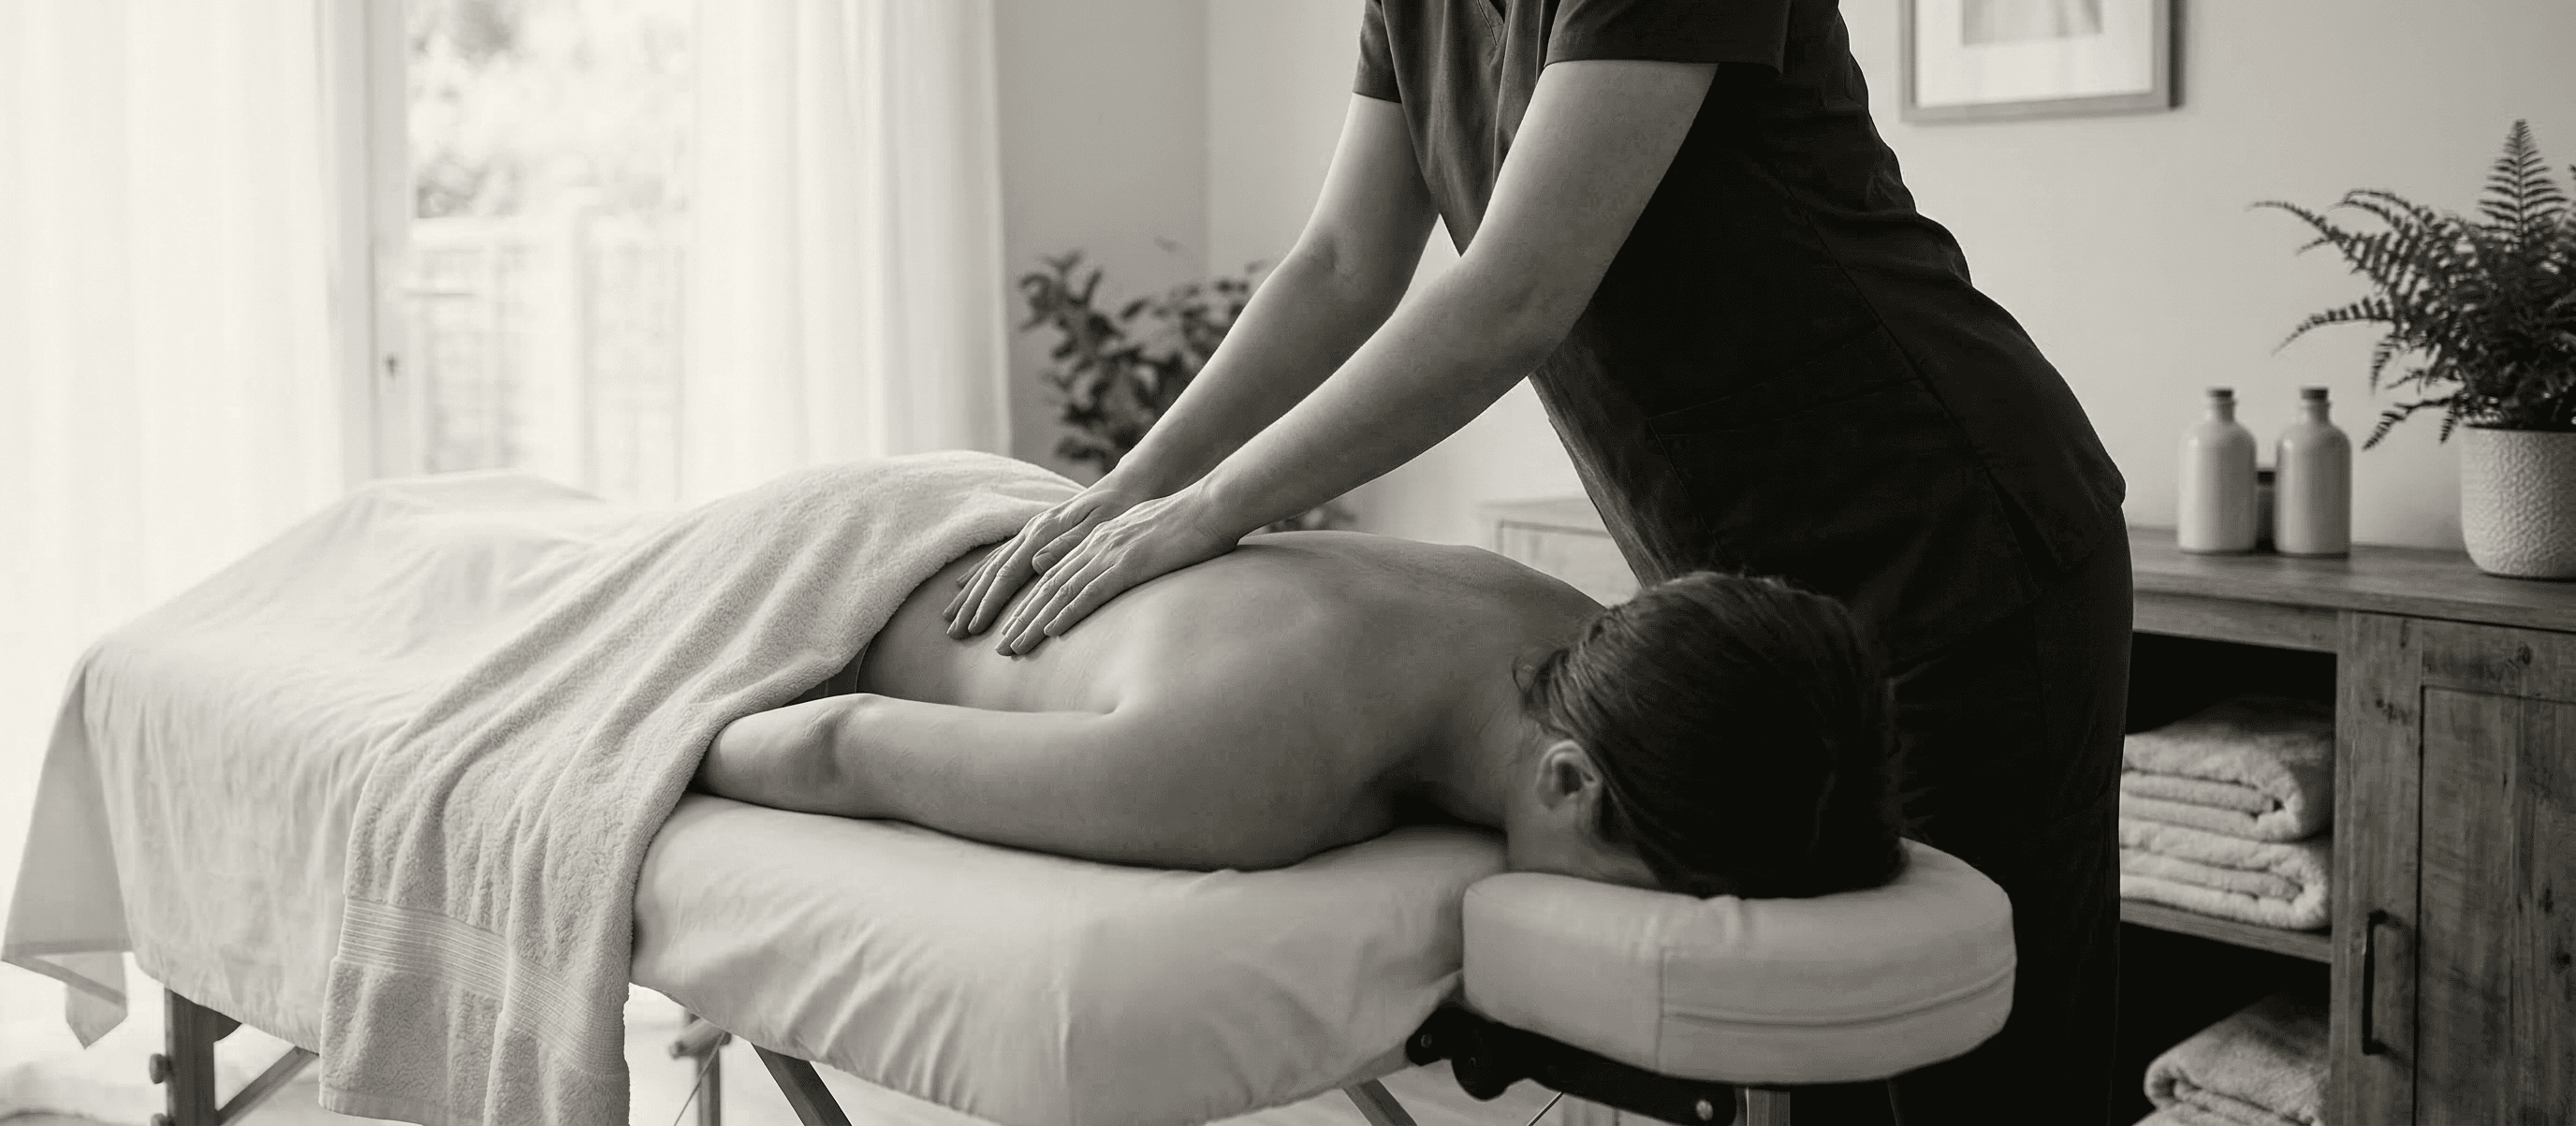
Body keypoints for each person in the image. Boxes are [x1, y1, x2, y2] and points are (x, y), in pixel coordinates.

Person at [944, 0, 2130, 1119]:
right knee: (1784, 1067)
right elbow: (1337, 267)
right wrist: (1123, 497)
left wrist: (1209, 512)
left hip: (1947, 550)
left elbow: (1515, 292)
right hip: (1732, 606)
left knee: (1976, 1083)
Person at [700, 524, 1901, 902]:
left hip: (999, 523)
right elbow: (833, 743)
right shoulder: (1252, 773)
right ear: (1568, 783)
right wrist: (657, 747)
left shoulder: (1571, 622)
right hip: (808, 585)